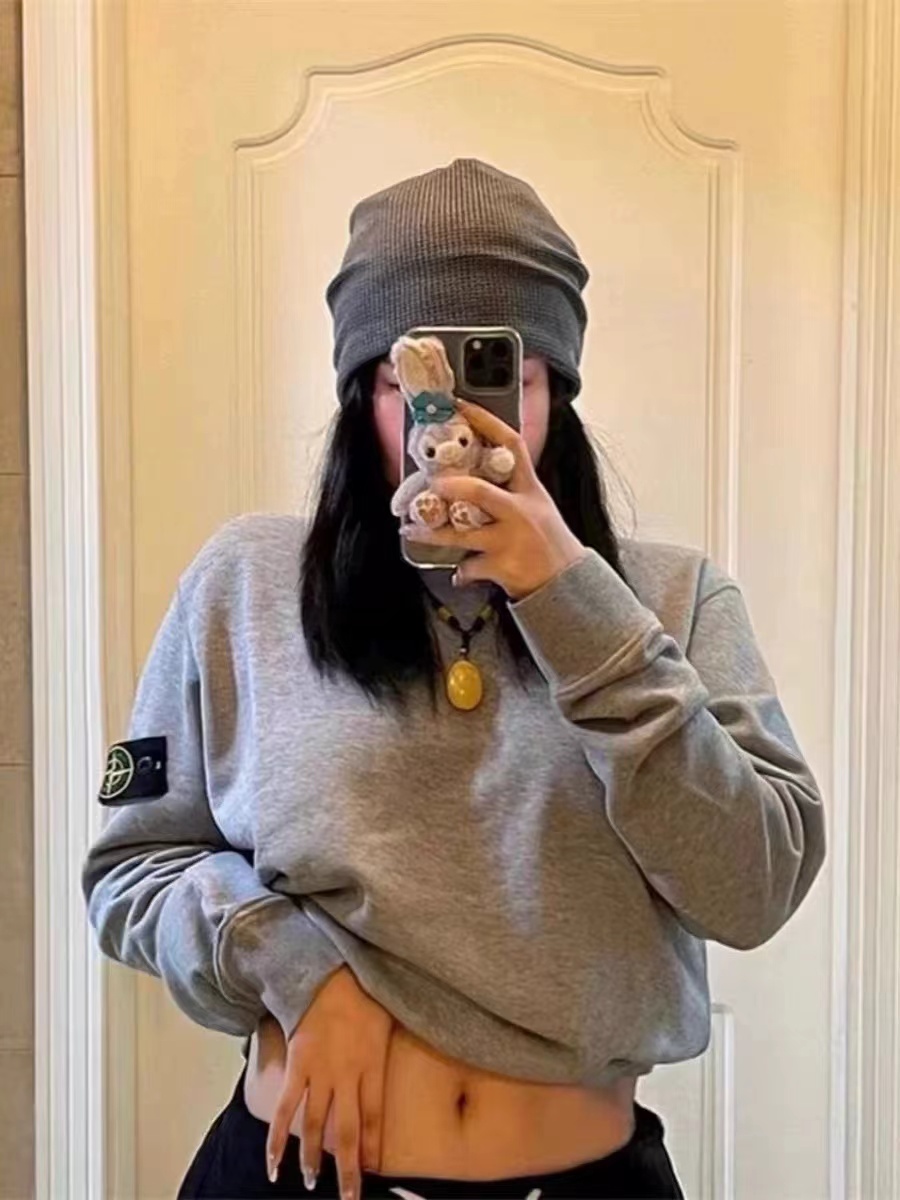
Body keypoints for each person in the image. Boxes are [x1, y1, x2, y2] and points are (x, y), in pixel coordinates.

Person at [82, 158, 827, 1200]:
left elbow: (752, 887)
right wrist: (286, 960)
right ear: (363, 395)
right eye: (411, 383)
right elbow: (130, 869)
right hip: (292, 1176)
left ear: (554, 391)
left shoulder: (672, 599)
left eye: (501, 377)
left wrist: (573, 604)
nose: (458, 426)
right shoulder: (245, 584)